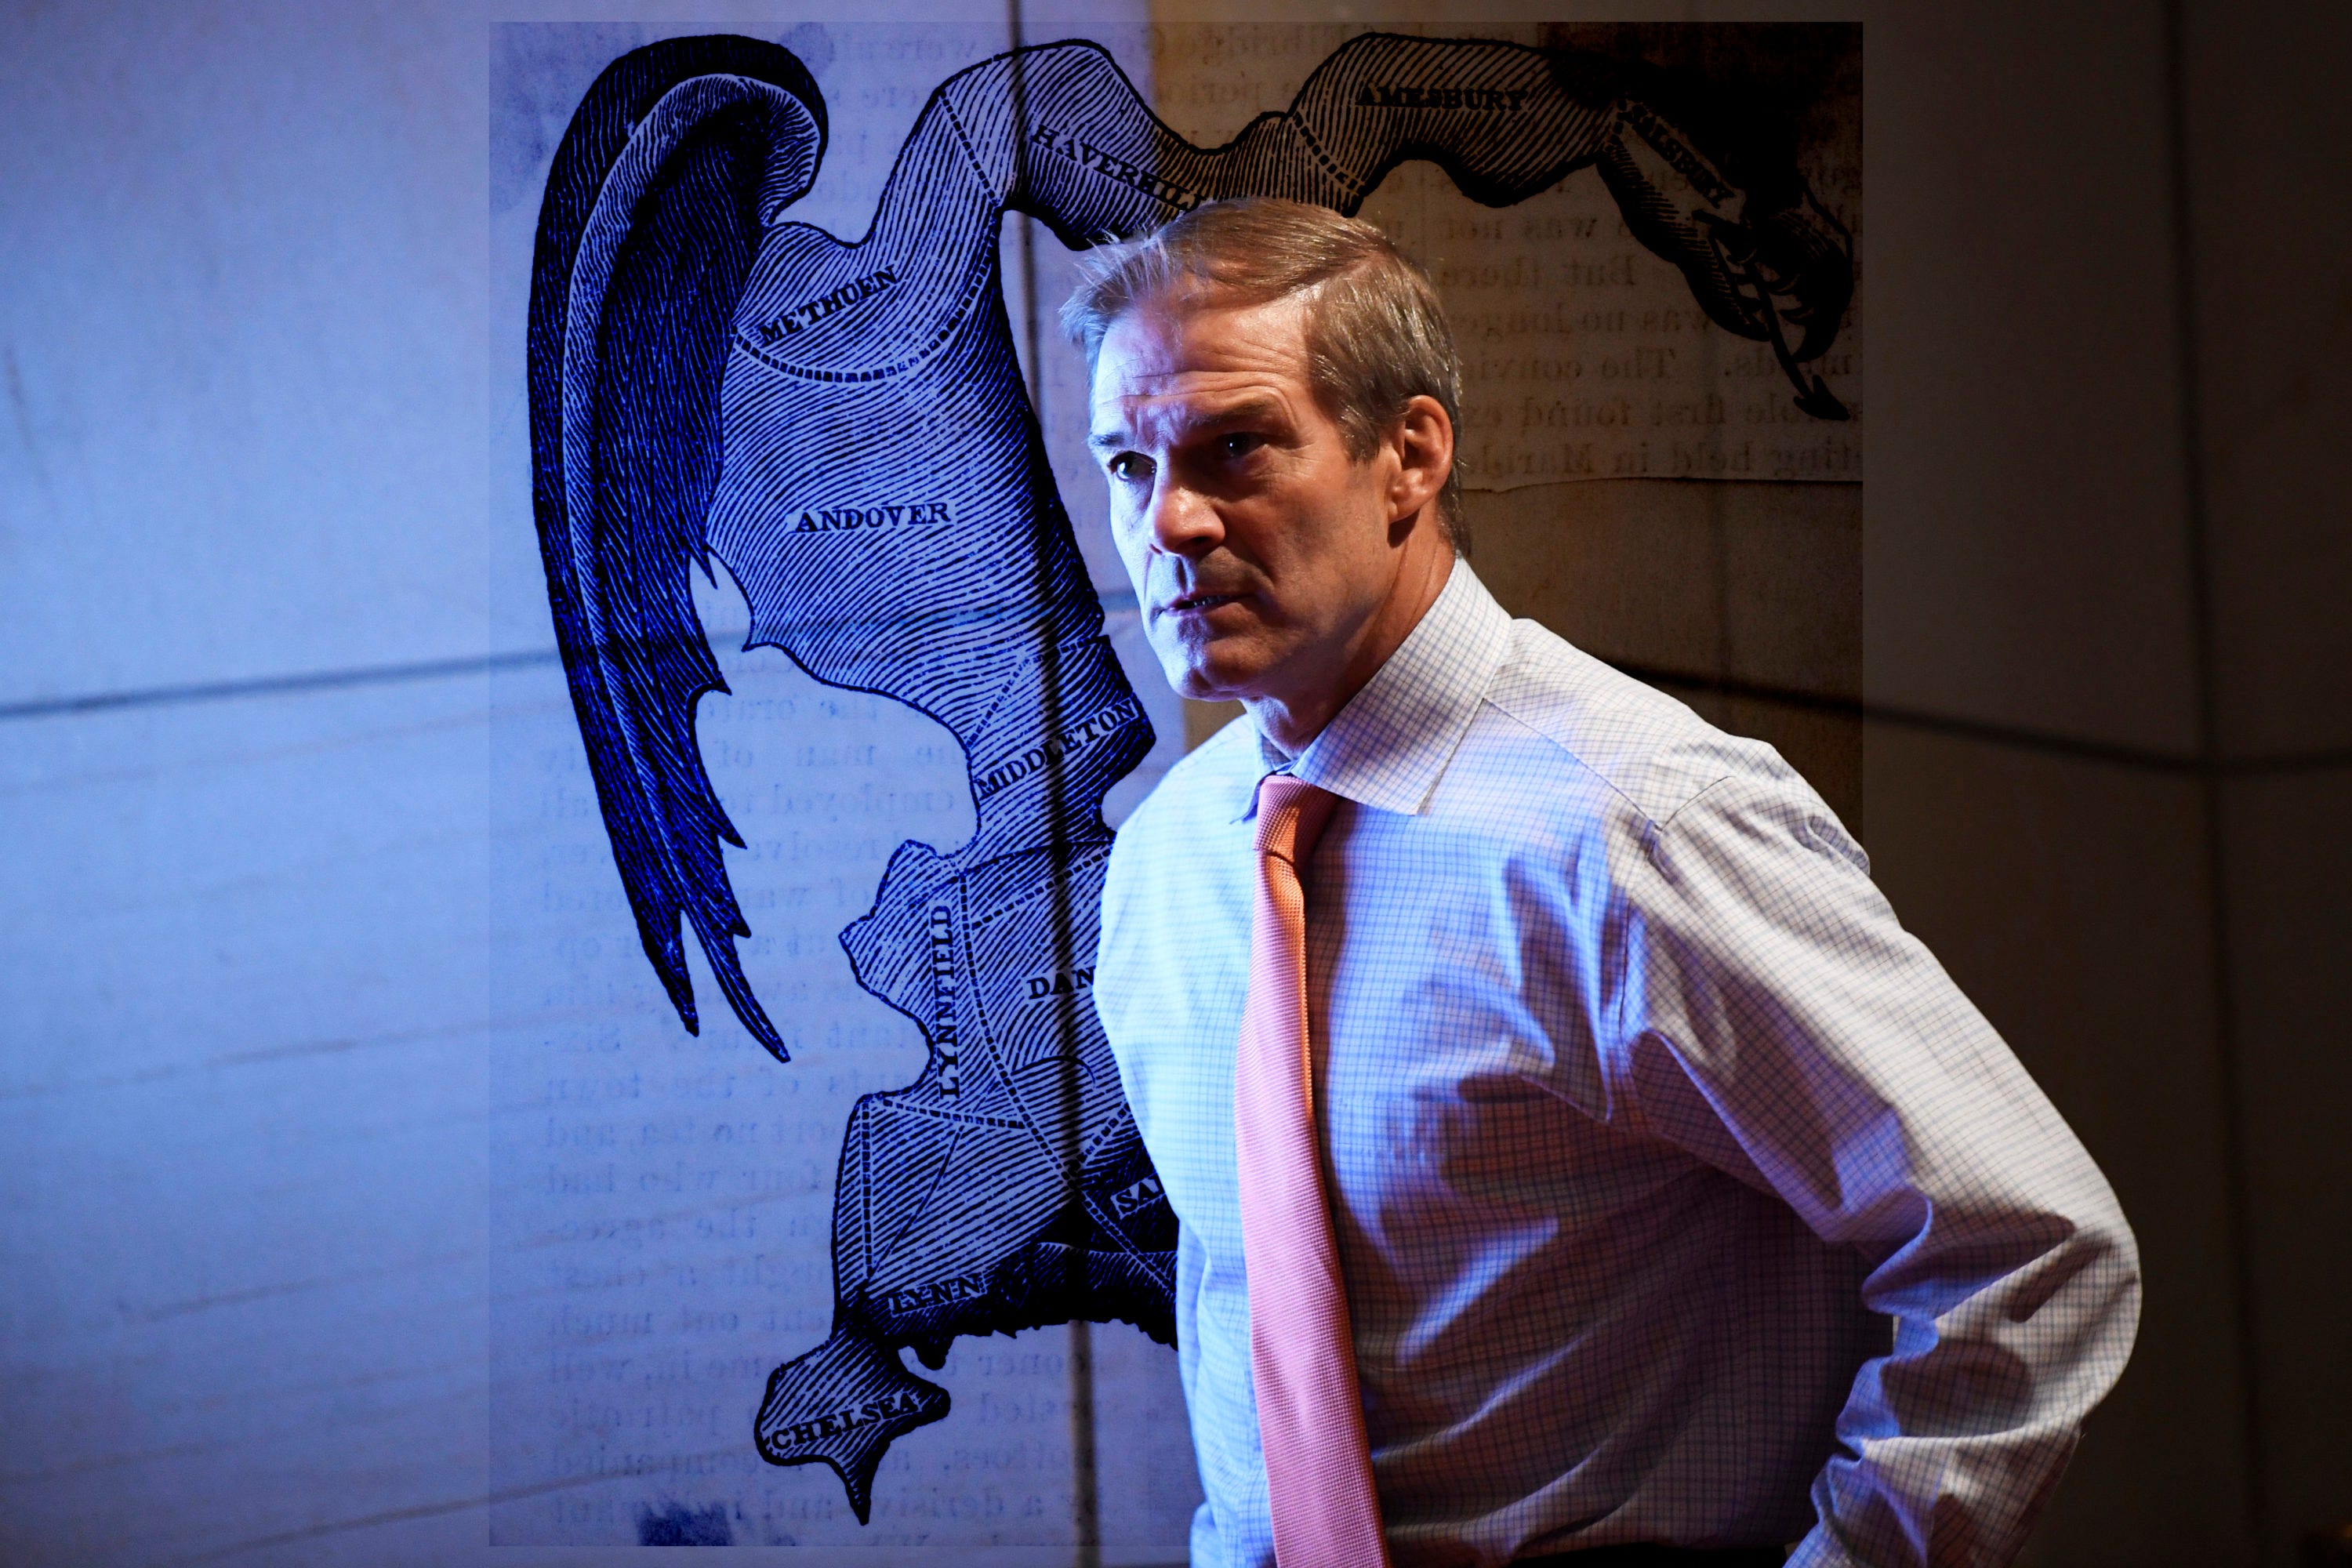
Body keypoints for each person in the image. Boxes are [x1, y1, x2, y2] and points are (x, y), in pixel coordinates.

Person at [1076, 198, 2140, 1568]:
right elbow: (1251, 1319)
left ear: (1409, 456)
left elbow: (2033, 1254)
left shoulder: (1642, 827)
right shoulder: (1170, 861)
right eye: (1127, 464)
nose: (1168, 520)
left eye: (1236, 447)